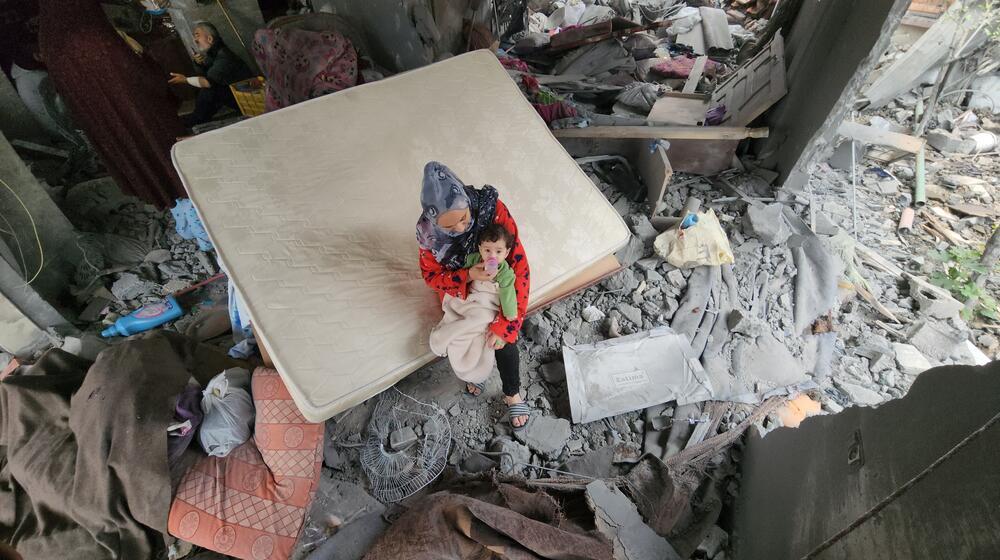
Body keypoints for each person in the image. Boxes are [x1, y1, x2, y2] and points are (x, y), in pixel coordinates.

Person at [39, 0, 187, 208]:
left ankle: (170, 198)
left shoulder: (53, 36)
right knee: (153, 133)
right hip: (105, 62)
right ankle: (184, 196)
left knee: (129, 137)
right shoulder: (91, 38)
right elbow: (144, 81)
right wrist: (145, 60)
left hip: (76, 61)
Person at [417, 161, 531, 429]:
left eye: (464, 219)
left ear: (468, 203)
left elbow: (519, 268)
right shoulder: (429, 236)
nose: (459, 229)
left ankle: (512, 392)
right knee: (462, 333)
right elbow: (432, 278)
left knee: (502, 339)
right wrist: (467, 276)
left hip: (497, 288)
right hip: (461, 287)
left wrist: (507, 326)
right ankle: (472, 372)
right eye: (449, 227)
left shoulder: (491, 211)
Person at [168, 22, 253, 128]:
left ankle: (197, 118)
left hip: (248, 99)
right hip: (235, 94)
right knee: (208, 89)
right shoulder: (213, 53)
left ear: (210, 39)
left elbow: (207, 82)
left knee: (210, 90)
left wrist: (185, 80)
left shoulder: (224, 56)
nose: (195, 40)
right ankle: (198, 117)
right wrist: (199, 64)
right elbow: (205, 75)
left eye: (197, 35)